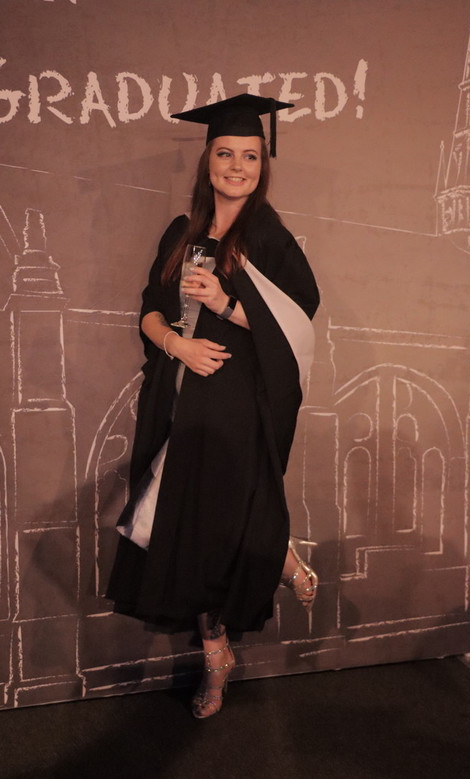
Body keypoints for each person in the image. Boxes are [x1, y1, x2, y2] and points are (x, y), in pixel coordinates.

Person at [106, 93, 320, 718]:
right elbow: (149, 310)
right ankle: (225, 639)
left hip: (237, 403)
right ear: (207, 162)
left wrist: (226, 305)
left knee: (212, 522)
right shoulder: (183, 234)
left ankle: (266, 562)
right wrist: (177, 344)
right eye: (225, 154)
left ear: (262, 166)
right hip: (182, 397)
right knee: (186, 527)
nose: (237, 167)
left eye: (250, 156)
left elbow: (298, 322)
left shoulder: (269, 238)